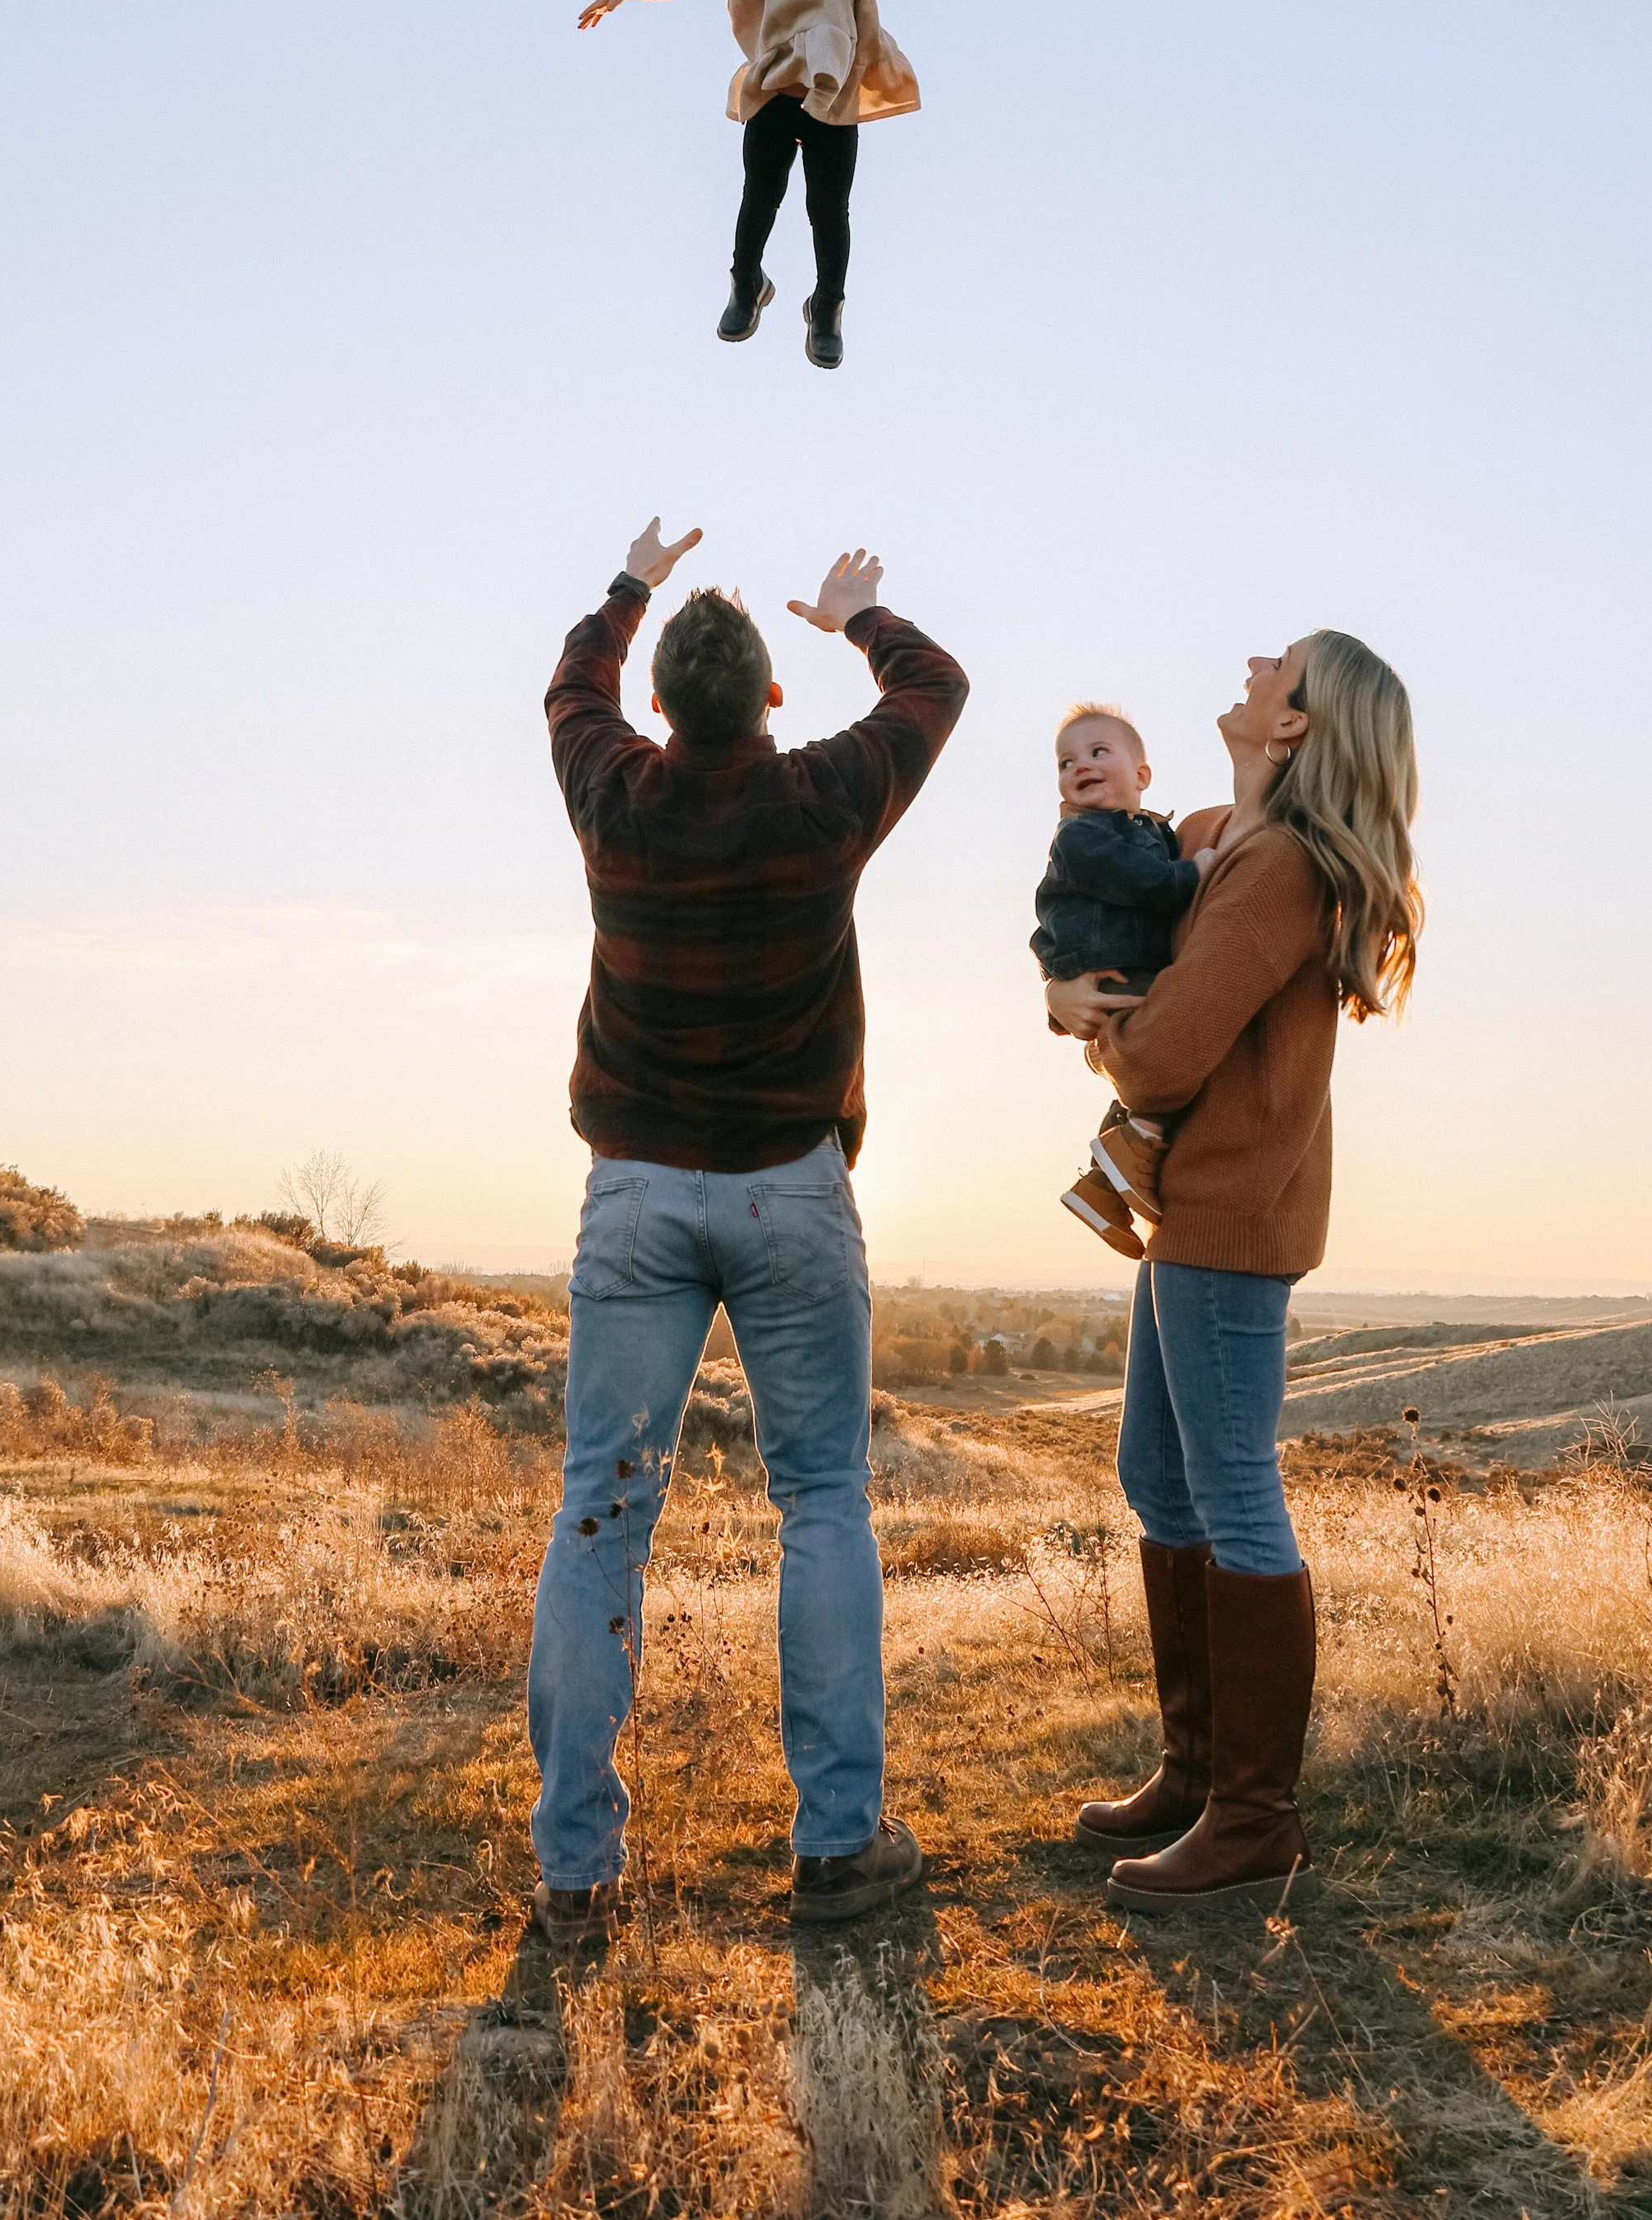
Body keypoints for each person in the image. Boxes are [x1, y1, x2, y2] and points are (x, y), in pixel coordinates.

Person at [527, 516, 968, 1949]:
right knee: (822, 1500)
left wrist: (630, 588)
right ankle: (839, 1853)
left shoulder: (615, 790)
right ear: (772, 698)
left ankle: (577, 1871)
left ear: (662, 701)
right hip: (791, 1188)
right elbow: (937, 690)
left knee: (604, 1509)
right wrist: (857, 619)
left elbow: (567, 690)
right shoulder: (824, 795)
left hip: (641, 1193)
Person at [1045, 633, 1420, 1920]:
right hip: (1193, 1212)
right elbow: (1146, 838)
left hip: (1225, 1212)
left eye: (1284, 666)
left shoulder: (1275, 874)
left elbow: (1158, 1065)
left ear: (1298, 726)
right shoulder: (1237, 832)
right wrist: (1075, 975)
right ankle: (1200, 1774)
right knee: (1158, 1477)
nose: (1256, 660)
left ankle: (1256, 1816)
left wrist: (1092, 1017)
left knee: (1233, 1494)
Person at [578, 0, 917, 369]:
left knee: (828, 208)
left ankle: (827, 306)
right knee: (759, 195)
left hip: (830, 92)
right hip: (772, 88)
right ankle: (746, 282)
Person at [1031, 703, 1216, 1262]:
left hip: (1120, 962)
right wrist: (1196, 872)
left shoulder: (1150, 832)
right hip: (1106, 963)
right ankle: (1131, 1152)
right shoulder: (1081, 837)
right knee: (1179, 1047)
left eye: (1097, 752)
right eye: (1067, 761)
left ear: (1142, 776)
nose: (1080, 766)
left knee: (1160, 1059)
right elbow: (1144, 885)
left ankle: (1103, 1186)